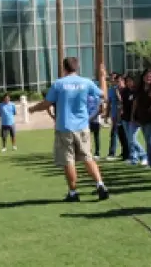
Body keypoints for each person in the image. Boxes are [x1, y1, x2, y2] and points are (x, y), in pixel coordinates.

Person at [28, 57, 109, 202]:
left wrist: (33, 109)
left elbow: (47, 103)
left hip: (65, 127)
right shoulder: (86, 82)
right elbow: (104, 95)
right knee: (87, 157)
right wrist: (103, 77)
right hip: (83, 126)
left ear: (63, 68)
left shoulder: (59, 84)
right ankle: (100, 185)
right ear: (77, 67)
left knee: (68, 160)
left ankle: (73, 192)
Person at [121, 75, 147, 165]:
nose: (128, 83)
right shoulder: (124, 91)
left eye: (130, 81)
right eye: (127, 81)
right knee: (129, 140)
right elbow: (122, 104)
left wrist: (136, 117)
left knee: (132, 139)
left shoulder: (137, 91)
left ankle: (144, 155)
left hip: (135, 119)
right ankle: (134, 158)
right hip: (125, 118)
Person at [105, 74, 122, 161]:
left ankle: (114, 152)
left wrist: (118, 93)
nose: (112, 80)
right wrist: (107, 115)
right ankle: (113, 152)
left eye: (114, 78)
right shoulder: (110, 90)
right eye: (111, 78)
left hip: (121, 115)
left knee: (119, 134)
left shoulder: (120, 89)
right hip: (114, 115)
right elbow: (109, 103)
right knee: (115, 133)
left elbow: (121, 100)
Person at [87, 89, 102, 160]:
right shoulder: (85, 96)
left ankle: (97, 153)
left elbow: (99, 109)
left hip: (95, 119)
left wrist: (94, 116)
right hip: (87, 119)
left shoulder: (97, 97)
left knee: (96, 136)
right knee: (86, 137)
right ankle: (88, 152)